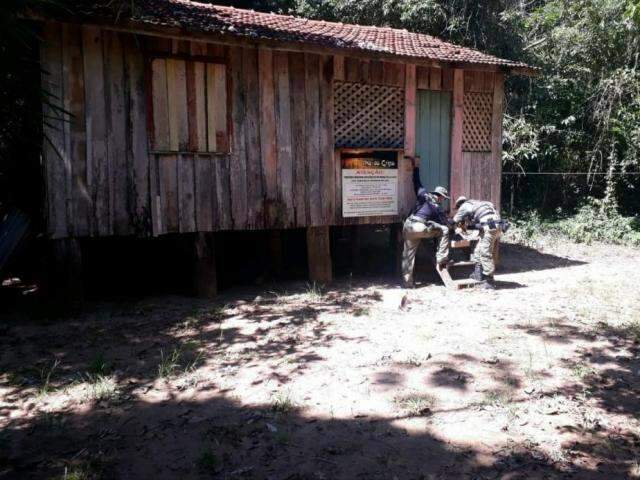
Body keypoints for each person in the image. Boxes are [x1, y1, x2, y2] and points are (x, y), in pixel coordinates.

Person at [401, 158, 451, 288]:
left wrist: (416, 168)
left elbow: (416, 182)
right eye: (443, 198)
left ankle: (407, 283)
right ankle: (441, 258)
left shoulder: (423, 195)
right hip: (421, 228)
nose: (443, 200)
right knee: (444, 230)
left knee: (408, 256)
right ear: (440, 196)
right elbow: (444, 224)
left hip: (408, 226)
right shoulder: (437, 207)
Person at [452, 196, 501, 289]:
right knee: (478, 250)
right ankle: (478, 274)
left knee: (485, 252)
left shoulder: (465, 206)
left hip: (490, 227)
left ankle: (489, 280)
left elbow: (454, 220)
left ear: (459, 204)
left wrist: (452, 227)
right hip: (494, 225)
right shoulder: (481, 204)